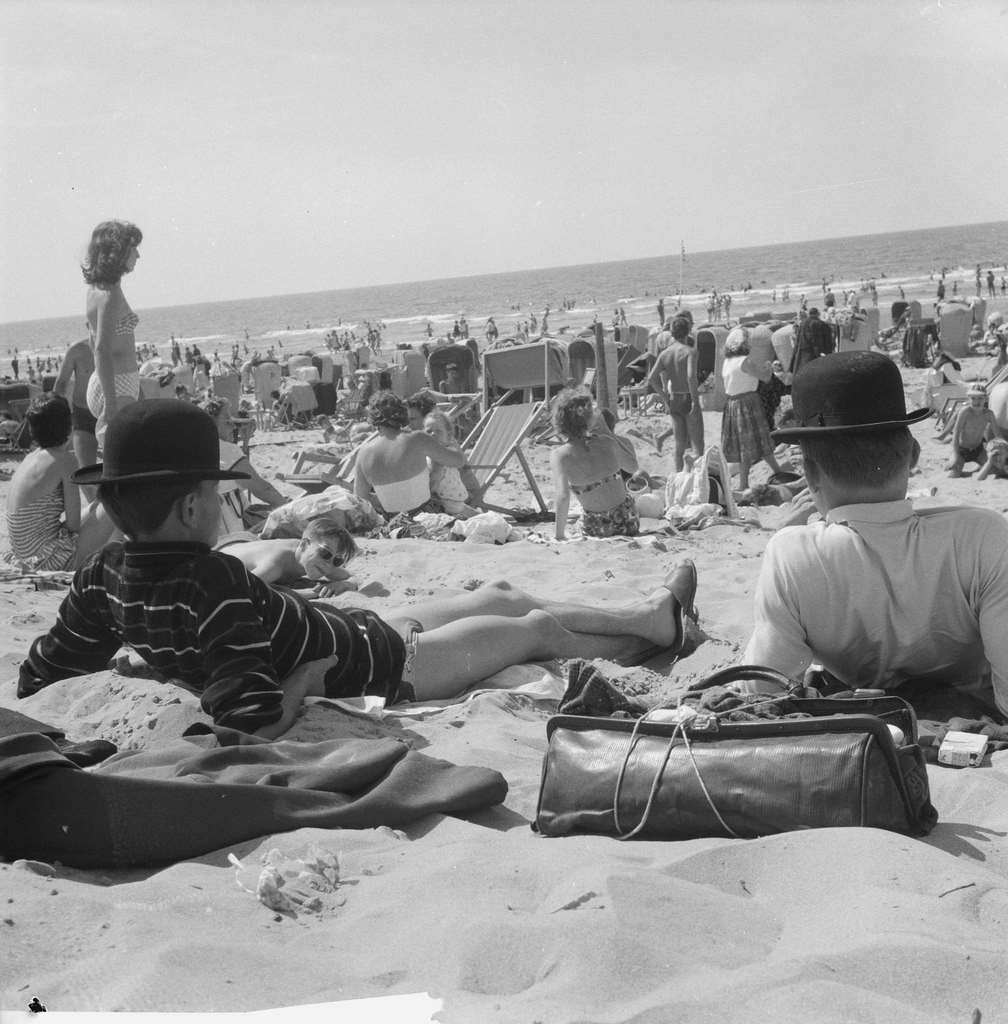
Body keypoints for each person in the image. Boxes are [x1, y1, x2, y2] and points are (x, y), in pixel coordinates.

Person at [18, 400, 699, 738]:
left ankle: (651, 619)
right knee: (533, 627)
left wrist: (147, 661)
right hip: (389, 669)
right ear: (196, 503)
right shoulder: (212, 583)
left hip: (356, 628)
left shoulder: (102, 576)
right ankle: (652, 624)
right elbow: (250, 717)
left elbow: (43, 671)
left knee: (501, 590)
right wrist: (304, 680)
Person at [745, 350, 1008, 718]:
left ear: (810, 473)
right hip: (967, 708)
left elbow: (765, 690)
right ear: (913, 456)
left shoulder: (792, 553)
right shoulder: (983, 534)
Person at [4, 394, 115, 571]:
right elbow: (73, 525)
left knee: (97, 505)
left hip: (24, 554)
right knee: (115, 504)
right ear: (69, 426)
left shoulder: (30, 458)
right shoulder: (65, 461)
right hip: (46, 560)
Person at [355, 391, 466, 515]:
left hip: (394, 520)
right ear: (403, 413)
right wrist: (451, 439)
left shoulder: (363, 453)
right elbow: (459, 461)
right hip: (427, 513)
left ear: (373, 419)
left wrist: (387, 497)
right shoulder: (418, 439)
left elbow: (360, 498)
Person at [82, 220, 143, 445]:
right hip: (116, 388)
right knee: (124, 457)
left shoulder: (96, 290)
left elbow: (93, 341)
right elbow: (100, 349)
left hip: (113, 384)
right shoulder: (111, 295)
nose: (138, 255)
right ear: (117, 253)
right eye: (133, 248)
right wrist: (110, 404)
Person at [550, 389, 639, 540]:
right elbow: (632, 467)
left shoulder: (559, 455)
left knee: (579, 522)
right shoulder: (606, 442)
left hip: (597, 528)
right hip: (629, 521)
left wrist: (559, 536)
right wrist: (609, 434)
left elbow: (563, 497)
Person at [222, 519, 360, 598]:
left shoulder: (321, 561)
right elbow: (244, 590)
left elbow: (354, 577)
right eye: (325, 553)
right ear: (304, 544)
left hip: (247, 542)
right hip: (223, 552)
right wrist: (308, 594)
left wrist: (343, 584)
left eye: (338, 561)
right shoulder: (275, 564)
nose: (329, 565)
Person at [720, 327, 785, 490]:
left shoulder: (727, 362)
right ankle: (745, 483)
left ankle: (775, 471)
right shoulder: (744, 361)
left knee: (747, 443)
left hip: (732, 405)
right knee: (757, 440)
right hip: (748, 403)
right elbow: (765, 377)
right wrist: (769, 366)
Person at [646, 318, 700, 468]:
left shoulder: (665, 350)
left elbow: (652, 377)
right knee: (696, 443)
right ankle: (694, 476)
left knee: (679, 444)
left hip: (674, 394)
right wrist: (695, 399)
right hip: (686, 395)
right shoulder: (688, 349)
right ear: (687, 331)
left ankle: (678, 475)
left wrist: (665, 397)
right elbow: (690, 376)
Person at [52, 336, 98, 491]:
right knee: (85, 473)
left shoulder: (116, 345)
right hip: (83, 416)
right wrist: (57, 416)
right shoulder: (77, 350)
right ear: (87, 323)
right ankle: (95, 507)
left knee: (117, 469)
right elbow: (60, 384)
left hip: (111, 414)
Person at [423, 410, 479, 518]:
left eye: (438, 431)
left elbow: (435, 477)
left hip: (446, 502)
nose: (433, 434)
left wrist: (426, 497)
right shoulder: (448, 451)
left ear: (448, 435)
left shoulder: (440, 454)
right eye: (428, 431)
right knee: (477, 517)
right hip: (454, 499)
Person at [946, 386, 1002, 478]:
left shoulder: (989, 414)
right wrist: (956, 454)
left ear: (986, 399)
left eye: (980, 398)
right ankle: (954, 460)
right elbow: (956, 433)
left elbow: (997, 435)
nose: (977, 401)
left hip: (978, 449)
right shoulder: (965, 412)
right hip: (961, 450)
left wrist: (1003, 448)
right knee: (954, 475)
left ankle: (979, 467)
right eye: (973, 398)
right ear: (969, 399)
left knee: (994, 469)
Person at [788, 307, 834, 376]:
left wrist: (793, 360)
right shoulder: (820, 324)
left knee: (802, 374)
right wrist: (827, 353)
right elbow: (821, 341)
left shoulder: (802, 324)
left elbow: (798, 341)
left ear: (809, 314)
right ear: (818, 314)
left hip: (802, 354)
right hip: (813, 355)